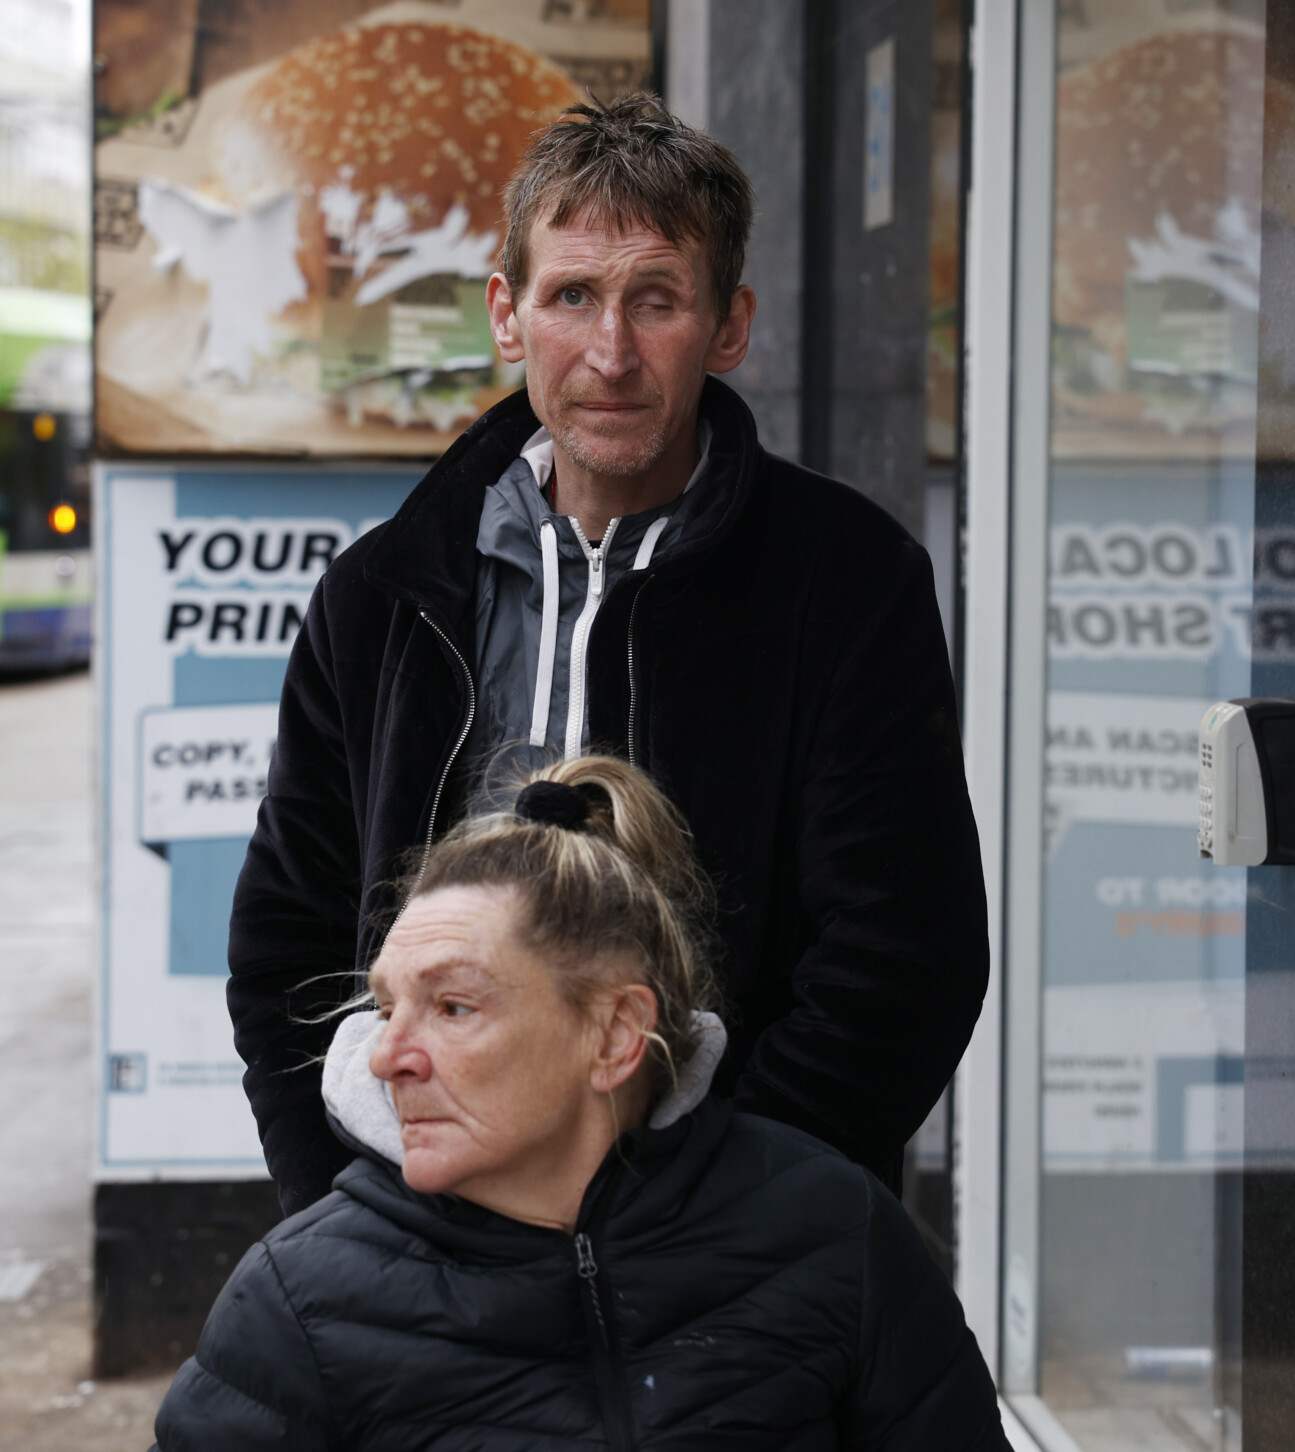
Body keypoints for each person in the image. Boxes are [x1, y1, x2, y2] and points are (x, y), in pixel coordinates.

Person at [230, 92, 989, 1217]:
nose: (610, 353)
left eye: (656, 300)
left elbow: (902, 957)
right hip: (422, 1228)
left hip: (731, 1249)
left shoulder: (847, 583)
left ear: (728, 327)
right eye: (572, 296)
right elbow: (286, 943)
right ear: (507, 315)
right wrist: (352, 1211)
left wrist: (710, 1221)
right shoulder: (382, 595)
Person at [160, 759, 1011, 1450]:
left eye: (452, 1007)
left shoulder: (831, 1232)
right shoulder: (297, 1302)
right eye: (386, 1008)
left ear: (615, 1034)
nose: (387, 1057)